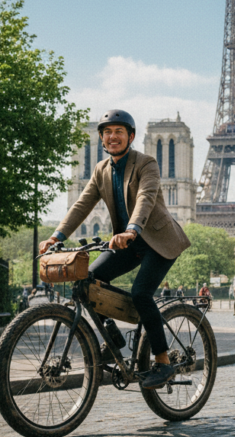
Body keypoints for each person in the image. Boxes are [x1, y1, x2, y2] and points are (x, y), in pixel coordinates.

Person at [39, 109, 191, 390]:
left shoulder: (146, 163)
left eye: (119, 132)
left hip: (158, 240)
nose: (112, 137)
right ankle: (113, 339)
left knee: (141, 294)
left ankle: (163, 361)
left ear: (131, 137)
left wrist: (132, 229)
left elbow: (145, 198)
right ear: (101, 139)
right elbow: (81, 205)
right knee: (88, 280)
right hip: (127, 241)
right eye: (107, 132)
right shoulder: (101, 170)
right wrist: (55, 236)